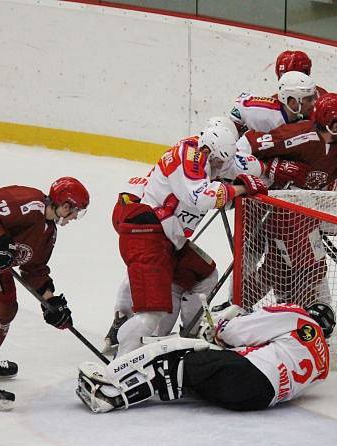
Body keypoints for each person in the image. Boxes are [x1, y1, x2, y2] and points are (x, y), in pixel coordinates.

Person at [105, 125, 268, 358]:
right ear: (209, 152)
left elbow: (233, 173)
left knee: (203, 273)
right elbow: (200, 197)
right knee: (153, 312)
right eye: (219, 163)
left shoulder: (204, 153)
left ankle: (186, 336)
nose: (220, 169)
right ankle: (123, 355)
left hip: (167, 238)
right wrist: (240, 187)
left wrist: (263, 174)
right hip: (149, 234)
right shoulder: (190, 155)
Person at [235, 92, 337, 307]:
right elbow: (244, 147)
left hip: (311, 213)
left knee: (276, 270)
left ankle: (238, 306)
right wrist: (272, 168)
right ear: (325, 120)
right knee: (311, 266)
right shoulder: (299, 135)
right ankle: (313, 312)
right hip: (284, 213)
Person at [0, 177, 90, 410]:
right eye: (76, 211)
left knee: (7, 306)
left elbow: (34, 269)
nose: (76, 217)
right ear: (65, 206)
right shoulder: (29, 202)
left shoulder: (48, 232)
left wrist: (51, 302)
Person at [78, 302, 334, 413]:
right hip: (256, 400)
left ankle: (111, 392)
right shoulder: (323, 366)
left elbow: (238, 333)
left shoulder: (299, 317)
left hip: (246, 374)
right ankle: (127, 387)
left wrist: (222, 328)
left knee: (175, 355)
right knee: (184, 377)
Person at [230, 70, 318, 136]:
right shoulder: (265, 118)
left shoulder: (290, 115)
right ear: (293, 102)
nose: (314, 103)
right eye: (309, 99)